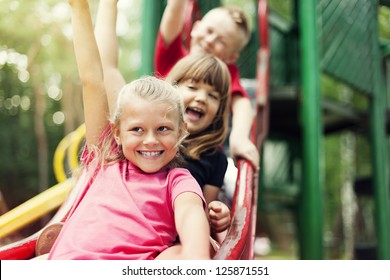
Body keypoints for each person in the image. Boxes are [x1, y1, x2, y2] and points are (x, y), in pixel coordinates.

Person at [48, 0, 210, 260]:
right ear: (116, 133)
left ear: (182, 132)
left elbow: (191, 219)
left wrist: (197, 258)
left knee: (178, 253)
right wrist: (79, 9)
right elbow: (93, 79)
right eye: (137, 129)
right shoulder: (103, 161)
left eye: (163, 129)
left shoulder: (178, 181)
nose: (150, 140)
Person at [94, 0, 232, 237]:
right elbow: (106, 70)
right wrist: (109, 5)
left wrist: (217, 215)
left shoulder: (214, 158)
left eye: (212, 95)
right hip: (122, 227)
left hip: (168, 238)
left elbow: (203, 214)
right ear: (173, 88)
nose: (201, 98)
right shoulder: (136, 126)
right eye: (192, 87)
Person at [155, 0, 260, 171]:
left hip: (199, 158)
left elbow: (242, 104)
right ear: (195, 28)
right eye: (209, 31)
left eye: (221, 41)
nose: (210, 40)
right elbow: (173, 14)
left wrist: (239, 137)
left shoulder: (223, 74)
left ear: (231, 57)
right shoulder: (174, 56)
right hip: (157, 143)